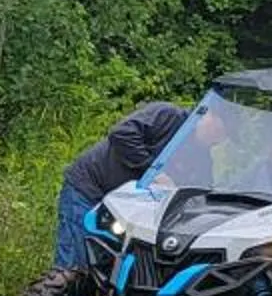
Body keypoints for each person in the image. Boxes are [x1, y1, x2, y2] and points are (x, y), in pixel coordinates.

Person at [55, 101, 198, 270]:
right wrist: (153, 171)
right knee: (73, 265)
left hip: (124, 209)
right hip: (89, 188)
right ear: (211, 117)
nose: (218, 141)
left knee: (107, 268)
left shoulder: (200, 154)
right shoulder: (169, 115)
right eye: (222, 133)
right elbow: (121, 133)